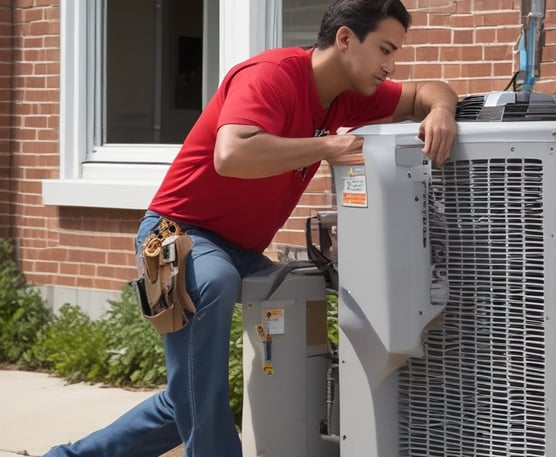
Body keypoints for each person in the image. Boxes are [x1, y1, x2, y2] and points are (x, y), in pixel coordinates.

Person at [42, 0, 457, 455]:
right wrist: (325, 146)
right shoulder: (270, 75)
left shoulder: (348, 95)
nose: (389, 64)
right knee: (212, 304)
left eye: (394, 51)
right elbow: (232, 154)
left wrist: (440, 112)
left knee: (196, 394)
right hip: (179, 235)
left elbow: (427, 91)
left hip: (239, 248)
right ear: (345, 39)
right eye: (383, 49)